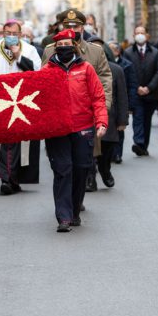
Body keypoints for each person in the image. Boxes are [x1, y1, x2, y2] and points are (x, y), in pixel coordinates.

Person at [42, 29, 108, 232]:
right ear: (54, 48)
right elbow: (38, 99)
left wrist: (101, 123)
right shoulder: (46, 71)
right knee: (62, 170)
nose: (64, 49)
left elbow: (98, 97)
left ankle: (75, 209)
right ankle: (63, 216)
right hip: (57, 129)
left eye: (67, 45)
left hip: (83, 127)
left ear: (75, 46)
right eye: (59, 46)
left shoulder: (86, 69)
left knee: (81, 169)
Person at [0, 18, 42, 194]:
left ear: (20, 34)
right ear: (3, 34)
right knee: (2, 142)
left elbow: (36, 73)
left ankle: (13, 178)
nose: (11, 37)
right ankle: (6, 178)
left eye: (14, 34)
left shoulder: (30, 50)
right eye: (7, 34)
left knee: (18, 142)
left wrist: (18, 55)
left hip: (22, 102)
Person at [123, 26, 158, 156]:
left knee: (147, 120)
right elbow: (128, 71)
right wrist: (138, 87)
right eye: (137, 33)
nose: (140, 35)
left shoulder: (155, 52)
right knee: (138, 117)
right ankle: (138, 142)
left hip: (151, 93)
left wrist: (149, 87)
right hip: (136, 92)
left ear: (147, 35)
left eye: (142, 33)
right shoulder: (128, 52)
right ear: (133, 36)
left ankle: (144, 146)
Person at [96, 57, 129, 188]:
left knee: (106, 150)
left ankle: (105, 171)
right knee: (88, 153)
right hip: (88, 118)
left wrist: (122, 121)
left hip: (109, 118)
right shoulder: (83, 68)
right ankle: (90, 179)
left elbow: (121, 97)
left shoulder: (116, 70)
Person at [110, 41, 138, 164]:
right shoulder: (103, 64)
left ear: (117, 51)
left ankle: (117, 154)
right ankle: (109, 153)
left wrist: (131, 104)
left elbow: (132, 85)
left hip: (121, 100)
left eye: (112, 49)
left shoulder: (127, 65)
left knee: (120, 128)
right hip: (110, 101)